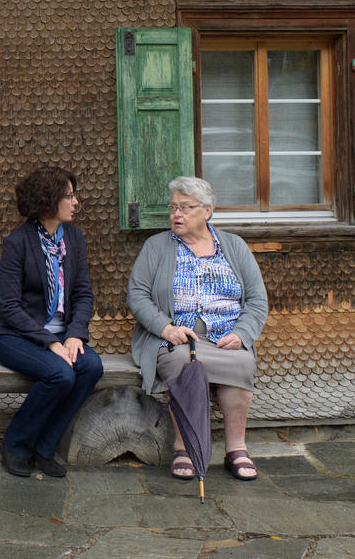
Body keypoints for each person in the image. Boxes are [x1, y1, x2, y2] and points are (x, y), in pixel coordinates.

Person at [127, 176, 268, 481]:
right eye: (173, 208)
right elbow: (137, 295)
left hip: (224, 338)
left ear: (206, 211)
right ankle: (184, 447)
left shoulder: (234, 246)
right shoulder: (157, 246)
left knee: (242, 362)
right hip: (177, 339)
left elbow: (257, 299)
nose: (176, 214)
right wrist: (165, 328)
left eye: (185, 208)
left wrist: (242, 334)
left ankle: (236, 448)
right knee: (181, 362)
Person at [0, 166, 104, 477]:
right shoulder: (18, 243)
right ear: (48, 200)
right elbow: (10, 307)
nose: (76, 201)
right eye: (69, 196)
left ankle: (45, 446)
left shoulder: (74, 238)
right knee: (61, 376)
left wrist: (75, 335)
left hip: (63, 336)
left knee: (91, 367)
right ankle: (15, 444)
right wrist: (51, 341)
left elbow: (83, 294)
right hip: (16, 337)